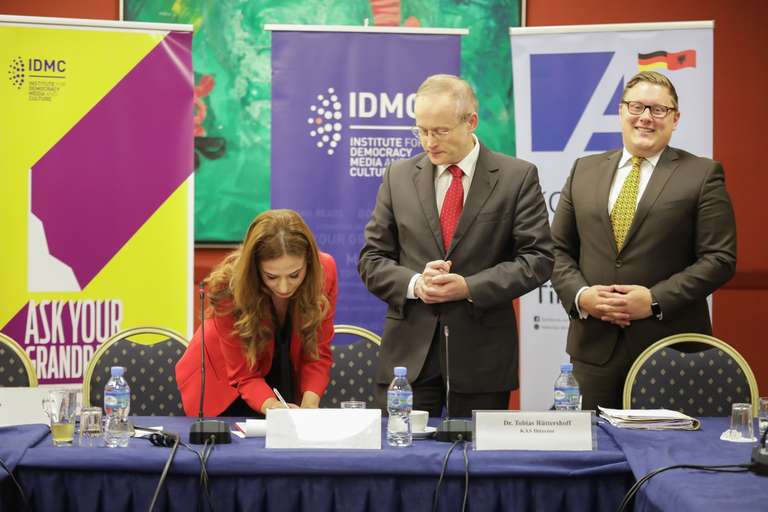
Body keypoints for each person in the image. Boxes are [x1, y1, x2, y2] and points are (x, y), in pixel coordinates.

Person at [358, 74, 553, 417]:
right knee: (403, 450)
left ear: (470, 122)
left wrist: (469, 287)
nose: (428, 142)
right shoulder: (397, 177)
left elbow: (537, 259)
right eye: (421, 130)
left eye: (440, 131)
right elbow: (372, 259)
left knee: (475, 453)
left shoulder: (516, 177)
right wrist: (416, 284)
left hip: (482, 359)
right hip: (408, 361)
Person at [550, 71, 737, 410]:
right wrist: (582, 296)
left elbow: (719, 259)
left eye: (658, 109)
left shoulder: (702, 174)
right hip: (594, 352)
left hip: (671, 350)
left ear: (675, 119)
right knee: (591, 442)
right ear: (621, 111)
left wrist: (653, 300)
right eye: (636, 107)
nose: (646, 117)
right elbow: (557, 249)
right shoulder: (583, 170)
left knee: (669, 443)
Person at [176, 209, 337, 416]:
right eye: (271, 277)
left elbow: (317, 351)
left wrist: (310, 406)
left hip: (282, 370)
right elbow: (242, 374)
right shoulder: (229, 286)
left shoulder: (324, 272)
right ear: (255, 268)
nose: (284, 287)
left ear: (308, 262)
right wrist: (273, 407)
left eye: (295, 275)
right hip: (224, 386)